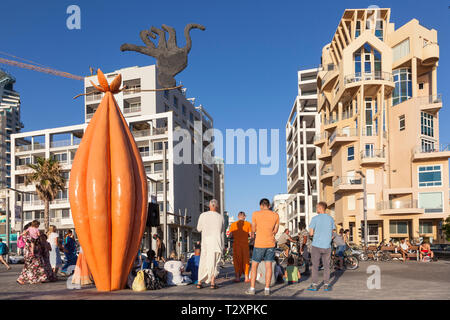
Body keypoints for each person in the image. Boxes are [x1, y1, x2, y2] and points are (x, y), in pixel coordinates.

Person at [246, 198, 279, 296]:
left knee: (254, 266)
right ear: (269, 206)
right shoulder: (275, 215)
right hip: (270, 244)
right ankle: (267, 289)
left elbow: (254, 228)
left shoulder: (255, 214)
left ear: (261, 205)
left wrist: (253, 232)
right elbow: (275, 230)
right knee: (268, 266)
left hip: (259, 243)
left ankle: (252, 289)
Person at [307, 201, 335, 292]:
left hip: (316, 246)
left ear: (320, 208)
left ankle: (314, 285)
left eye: (316, 207)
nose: (316, 209)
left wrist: (316, 234)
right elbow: (332, 234)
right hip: (327, 246)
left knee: (315, 266)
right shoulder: (331, 219)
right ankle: (326, 285)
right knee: (326, 266)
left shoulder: (314, 219)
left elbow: (311, 233)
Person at [196, 199, 224, 290]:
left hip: (206, 242)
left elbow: (198, 229)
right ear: (217, 206)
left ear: (209, 206)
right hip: (216, 242)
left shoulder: (203, 215)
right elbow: (221, 230)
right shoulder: (220, 217)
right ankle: (212, 282)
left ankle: (199, 282)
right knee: (215, 262)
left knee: (203, 261)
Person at [229, 211, 252, 282]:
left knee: (236, 261)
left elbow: (230, 235)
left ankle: (237, 277)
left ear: (238, 217)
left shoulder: (233, 225)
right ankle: (246, 277)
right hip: (245, 245)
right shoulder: (248, 224)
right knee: (246, 261)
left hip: (236, 245)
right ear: (244, 217)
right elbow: (251, 235)